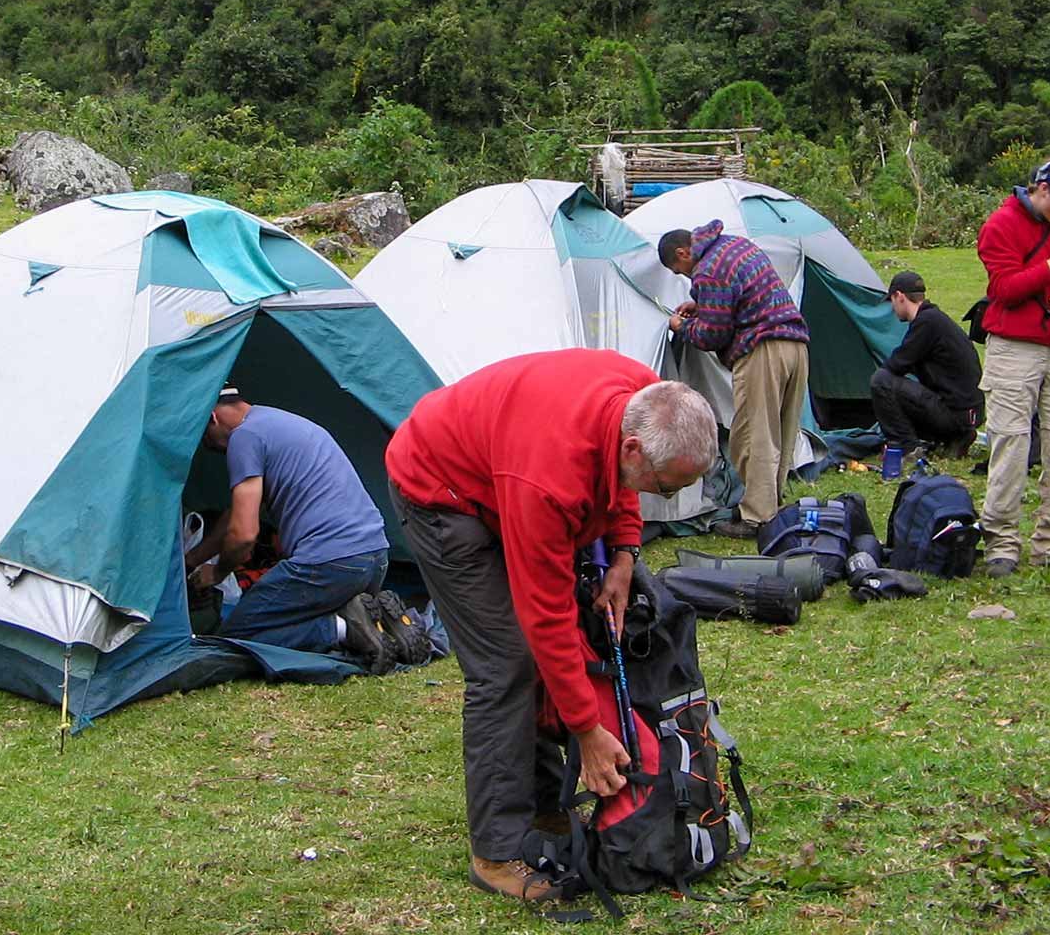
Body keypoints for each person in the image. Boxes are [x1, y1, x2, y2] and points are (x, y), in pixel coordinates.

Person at [385, 350, 716, 902]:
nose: (669, 498)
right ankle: (496, 852)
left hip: (503, 471)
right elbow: (546, 617)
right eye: (666, 486)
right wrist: (586, 731)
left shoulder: (642, 395)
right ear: (632, 447)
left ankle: (541, 804)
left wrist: (625, 553)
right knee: (506, 664)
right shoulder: (548, 477)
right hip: (441, 492)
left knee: (540, 654)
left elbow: (623, 484)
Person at [189, 387, 397, 671]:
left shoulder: (244, 436)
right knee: (287, 615)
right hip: (375, 558)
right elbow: (234, 517)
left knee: (238, 636)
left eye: (206, 440)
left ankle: (345, 628)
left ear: (212, 418)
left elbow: (244, 535)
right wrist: (193, 559)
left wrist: (218, 572)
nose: (213, 448)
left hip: (330, 564)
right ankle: (383, 623)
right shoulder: (281, 422)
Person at [976, 154, 1050, 578]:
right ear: (1043, 190)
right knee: (1010, 443)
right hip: (1014, 346)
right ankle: (1001, 545)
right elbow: (1004, 290)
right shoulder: (1000, 226)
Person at [658, 222, 810, 538]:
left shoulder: (707, 270)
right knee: (781, 432)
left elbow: (715, 334)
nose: (685, 277)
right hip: (795, 345)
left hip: (763, 350)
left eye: (679, 269)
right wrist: (702, 306)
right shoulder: (734, 245)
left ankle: (756, 518)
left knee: (750, 436)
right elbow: (743, 293)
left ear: (683, 252)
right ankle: (771, 505)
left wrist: (681, 327)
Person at [870, 270, 984, 459]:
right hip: (969, 413)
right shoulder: (936, 319)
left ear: (899, 296)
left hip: (956, 414)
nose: (892, 309)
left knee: (881, 381)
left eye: (891, 302)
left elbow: (895, 366)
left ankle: (907, 447)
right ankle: (955, 438)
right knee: (901, 387)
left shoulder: (926, 323)